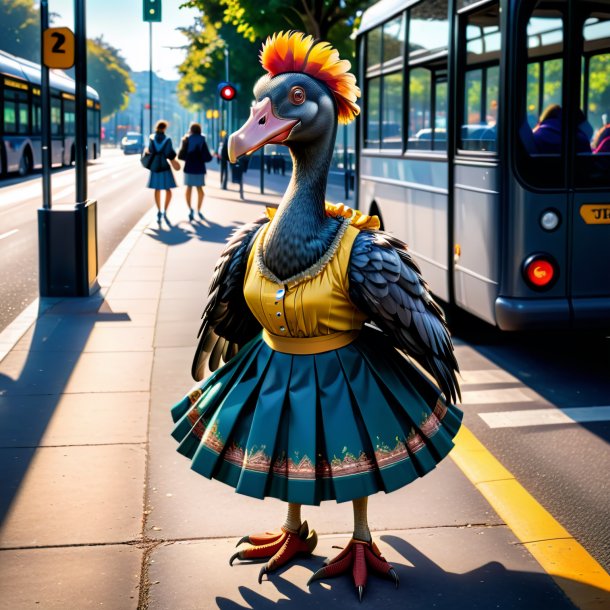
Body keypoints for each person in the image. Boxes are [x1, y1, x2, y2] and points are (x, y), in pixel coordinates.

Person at [146, 120, 179, 224]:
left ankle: (159, 211)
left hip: (155, 167)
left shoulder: (151, 138)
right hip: (165, 167)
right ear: (164, 128)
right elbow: (170, 153)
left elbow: (150, 151)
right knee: (168, 190)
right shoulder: (167, 139)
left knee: (157, 189)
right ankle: (165, 211)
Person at [179, 123, 212, 221]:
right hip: (200, 168)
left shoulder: (187, 139)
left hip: (189, 167)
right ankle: (199, 210)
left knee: (188, 188)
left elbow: (181, 155)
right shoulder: (202, 139)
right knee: (200, 189)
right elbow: (207, 156)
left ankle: (190, 209)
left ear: (191, 130)